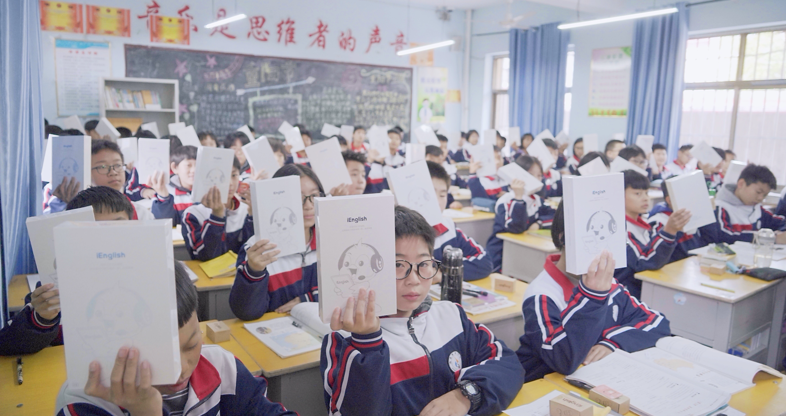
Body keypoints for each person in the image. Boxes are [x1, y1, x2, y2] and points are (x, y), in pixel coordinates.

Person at [321, 206, 524, 416]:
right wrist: (367, 342)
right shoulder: (345, 340)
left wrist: (464, 396)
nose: (414, 279)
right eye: (398, 264)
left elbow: (508, 364)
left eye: (424, 263)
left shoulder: (451, 316)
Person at [55, 262, 296, 416]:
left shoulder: (221, 366)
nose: (181, 368)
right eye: (161, 354)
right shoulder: (87, 399)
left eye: (191, 345)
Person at [516, 201, 671, 382]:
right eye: (593, 235)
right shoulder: (542, 295)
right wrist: (592, 296)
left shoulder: (607, 283)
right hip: (546, 384)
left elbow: (657, 322)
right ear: (564, 239)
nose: (601, 248)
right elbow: (562, 359)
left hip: (597, 377)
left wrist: (612, 342)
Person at [228, 164, 322, 320]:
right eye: (298, 198)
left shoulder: (327, 240)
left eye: (314, 195)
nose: (309, 206)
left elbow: (348, 290)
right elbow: (246, 312)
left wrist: (309, 299)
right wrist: (254, 271)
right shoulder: (258, 249)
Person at [615, 170, 689, 298]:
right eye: (637, 193)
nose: (645, 198)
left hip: (642, 288)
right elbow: (645, 261)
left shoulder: (642, 225)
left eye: (646, 193)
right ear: (618, 195)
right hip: (627, 294)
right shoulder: (620, 228)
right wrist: (669, 231)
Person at [43, 140, 154, 217]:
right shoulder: (76, 211)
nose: (113, 172)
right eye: (102, 167)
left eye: (118, 165)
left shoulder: (141, 213)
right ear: (87, 172)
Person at [486, 155, 555, 272]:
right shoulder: (506, 201)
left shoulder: (536, 199)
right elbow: (516, 228)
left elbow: (555, 216)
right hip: (502, 256)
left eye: (539, 175)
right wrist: (518, 198)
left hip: (527, 251)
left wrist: (539, 223)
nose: (536, 179)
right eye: (531, 174)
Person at [428, 161, 494, 281]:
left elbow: (484, 262)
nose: (437, 202)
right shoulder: (399, 233)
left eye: (442, 195)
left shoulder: (448, 228)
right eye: (430, 194)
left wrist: (442, 274)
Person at [182, 158, 254, 261]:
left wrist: (252, 215)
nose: (230, 183)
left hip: (240, 271)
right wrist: (217, 216)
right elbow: (204, 256)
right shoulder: (193, 214)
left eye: (234, 175)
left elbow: (250, 251)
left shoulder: (246, 209)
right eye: (221, 177)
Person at [714, 164, 786, 244]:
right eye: (758, 192)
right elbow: (724, 235)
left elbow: (779, 222)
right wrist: (771, 239)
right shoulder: (719, 207)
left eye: (765, 195)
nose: (760, 198)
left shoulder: (756, 208)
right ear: (741, 184)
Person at [648, 181, 717, 262]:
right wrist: (673, 230)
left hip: (693, 263)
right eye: (686, 197)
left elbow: (707, 241)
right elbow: (660, 256)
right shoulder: (659, 221)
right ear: (670, 200)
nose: (692, 200)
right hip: (675, 266)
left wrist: (708, 214)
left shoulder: (690, 213)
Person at [151, 145, 197, 224]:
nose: (194, 170)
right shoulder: (166, 191)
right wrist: (164, 197)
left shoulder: (208, 190)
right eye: (188, 165)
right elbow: (163, 223)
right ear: (175, 167)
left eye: (198, 165)